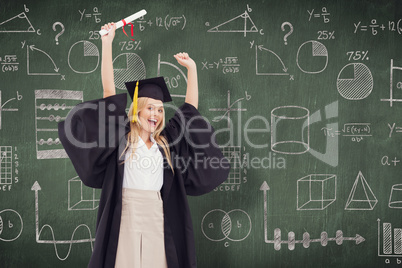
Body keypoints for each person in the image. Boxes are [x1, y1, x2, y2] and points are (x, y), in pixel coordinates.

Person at [58, 22, 230, 268]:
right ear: (137, 110)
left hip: (157, 215)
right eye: (150, 107)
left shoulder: (166, 142)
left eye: (160, 109)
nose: (156, 114)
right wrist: (107, 43)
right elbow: (109, 90)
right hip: (125, 213)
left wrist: (192, 70)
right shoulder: (122, 137)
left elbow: (189, 110)